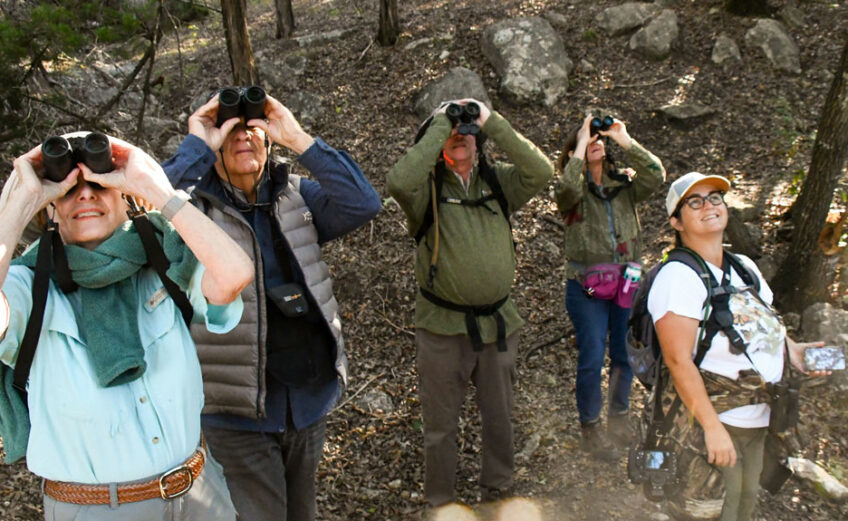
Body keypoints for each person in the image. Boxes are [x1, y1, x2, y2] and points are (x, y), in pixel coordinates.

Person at [0, 134, 254, 520]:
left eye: (100, 184)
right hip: (98, 510)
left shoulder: (163, 257)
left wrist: (155, 189)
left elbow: (235, 273)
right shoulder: (26, 286)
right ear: (49, 210)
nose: (85, 196)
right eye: (68, 190)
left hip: (202, 494)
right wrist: (19, 204)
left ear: (124, 196)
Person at [162, 89, 381, 521]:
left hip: (305, 400)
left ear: (269, 139)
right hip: (235, 409)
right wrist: (197, 144)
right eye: (230, 130)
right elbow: (146, 210)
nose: (244, 136)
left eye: (254, 128)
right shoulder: (189, 211)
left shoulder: (296, 195)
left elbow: (363, 203)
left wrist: (299, 138)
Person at [388, 98, 553, 507]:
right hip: (441, 328)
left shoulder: (498, 183)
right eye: (450, 133)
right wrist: (440, 126)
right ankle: (441, 502)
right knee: (440, 425)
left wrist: (491, 120)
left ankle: (497, 488)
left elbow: (543, 170)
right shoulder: (424, 192)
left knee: (500, 416)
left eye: (467, 131)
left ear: (480, 141)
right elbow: (397, 181)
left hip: (498, 324)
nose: (460, 136)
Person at [649, 172, 827, 521]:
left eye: (715, 197)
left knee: (745, 502)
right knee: (711, 512)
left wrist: (794, 352)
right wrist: (712, 429)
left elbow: (766, 326)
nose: (709, 206)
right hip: (713, 423)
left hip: (758, 417)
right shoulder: (677, 278)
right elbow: (677, 361)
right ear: (676, 221)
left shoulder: (743, 268)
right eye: (694, 202)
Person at [553, 114, 666, 460]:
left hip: (626, 285)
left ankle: (619, 419)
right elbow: (567, 189)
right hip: (587, 288)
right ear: (576, 149)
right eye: (587, 140)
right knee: (591, 354)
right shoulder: (572, 189)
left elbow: (656, 176)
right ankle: (591, 427)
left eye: (598, 139)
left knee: (624, 354)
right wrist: (582, 145)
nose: (595, 142)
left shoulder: (625, 184)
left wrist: (624, 138)